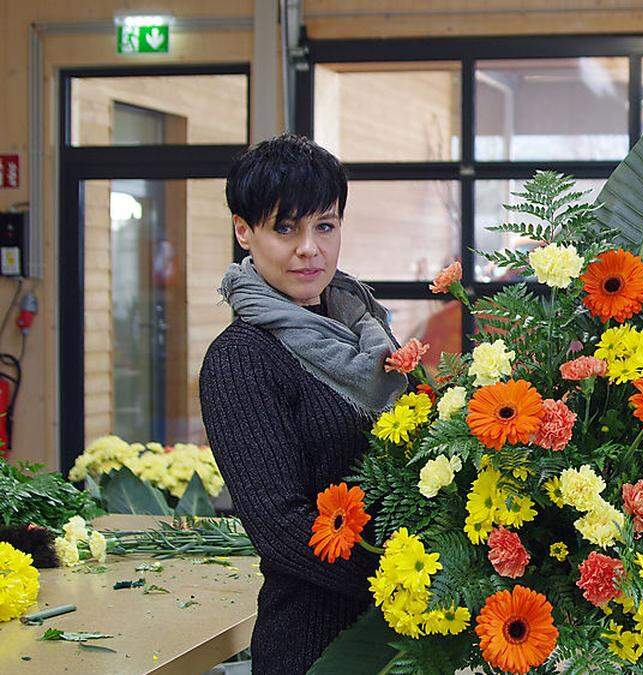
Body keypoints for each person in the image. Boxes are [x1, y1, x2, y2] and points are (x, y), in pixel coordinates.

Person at [200, 134, 405, 674]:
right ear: (245, 231)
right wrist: (407, 580)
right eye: (284, 228)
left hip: (412, 639)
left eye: (324, 225)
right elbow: (282, 527)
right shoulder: (241, 359)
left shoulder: (371, 331)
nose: (309, 248)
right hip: (317, 646)